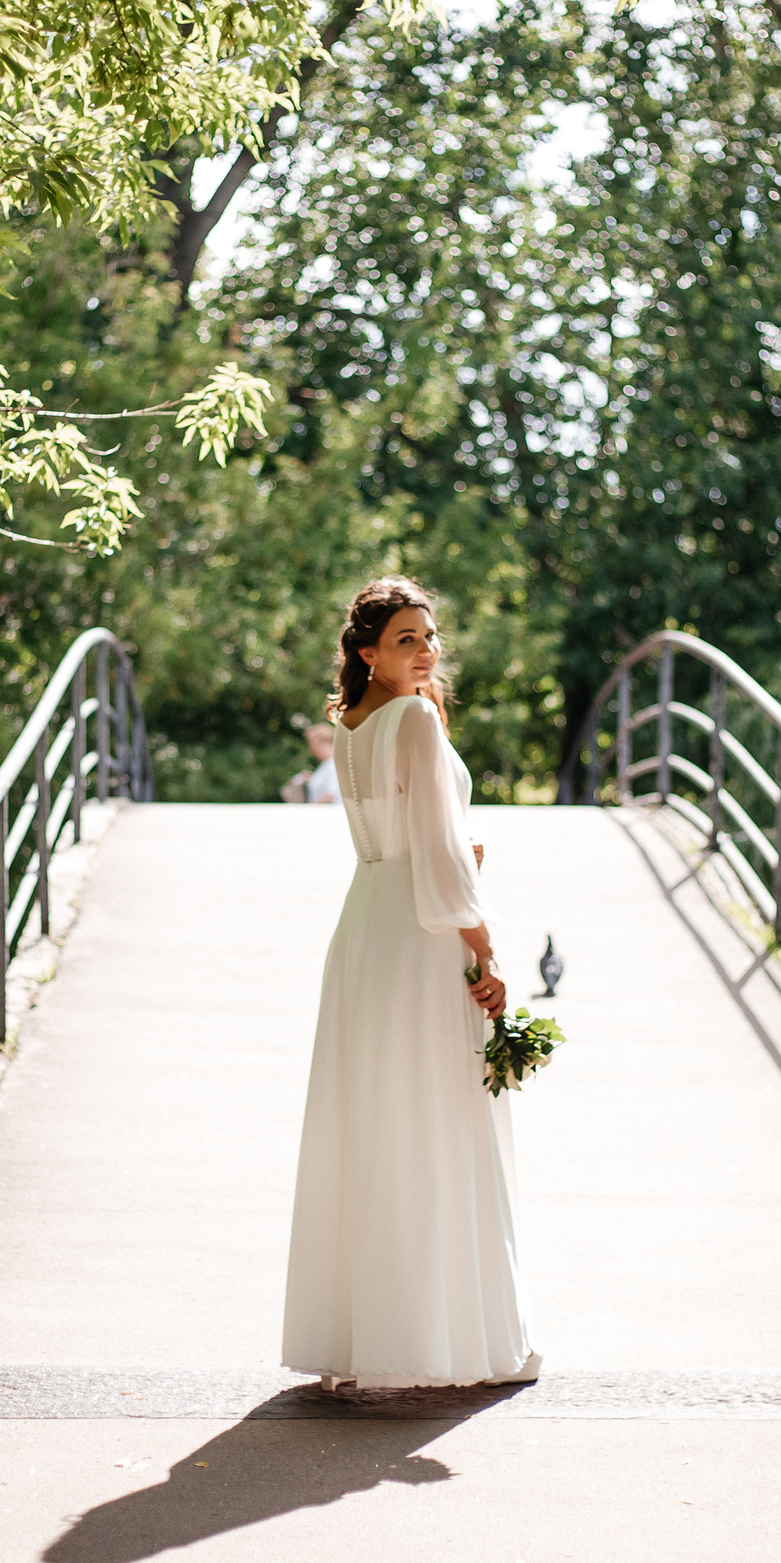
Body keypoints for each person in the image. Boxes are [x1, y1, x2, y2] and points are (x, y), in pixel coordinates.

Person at [281, 577, 540, 1389]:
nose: (426, 651)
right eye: (406, 639)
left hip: (366, 928)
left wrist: (458, 849)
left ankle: (372, 1338)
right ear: (368, 652)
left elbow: (403, 838)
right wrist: (487, 951)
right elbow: (435, 854)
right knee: (440, 1121)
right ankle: (453, 1340)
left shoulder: (350, 724)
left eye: (429, 637)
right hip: (425, 935)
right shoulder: (417, 718)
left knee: (376, 1124)